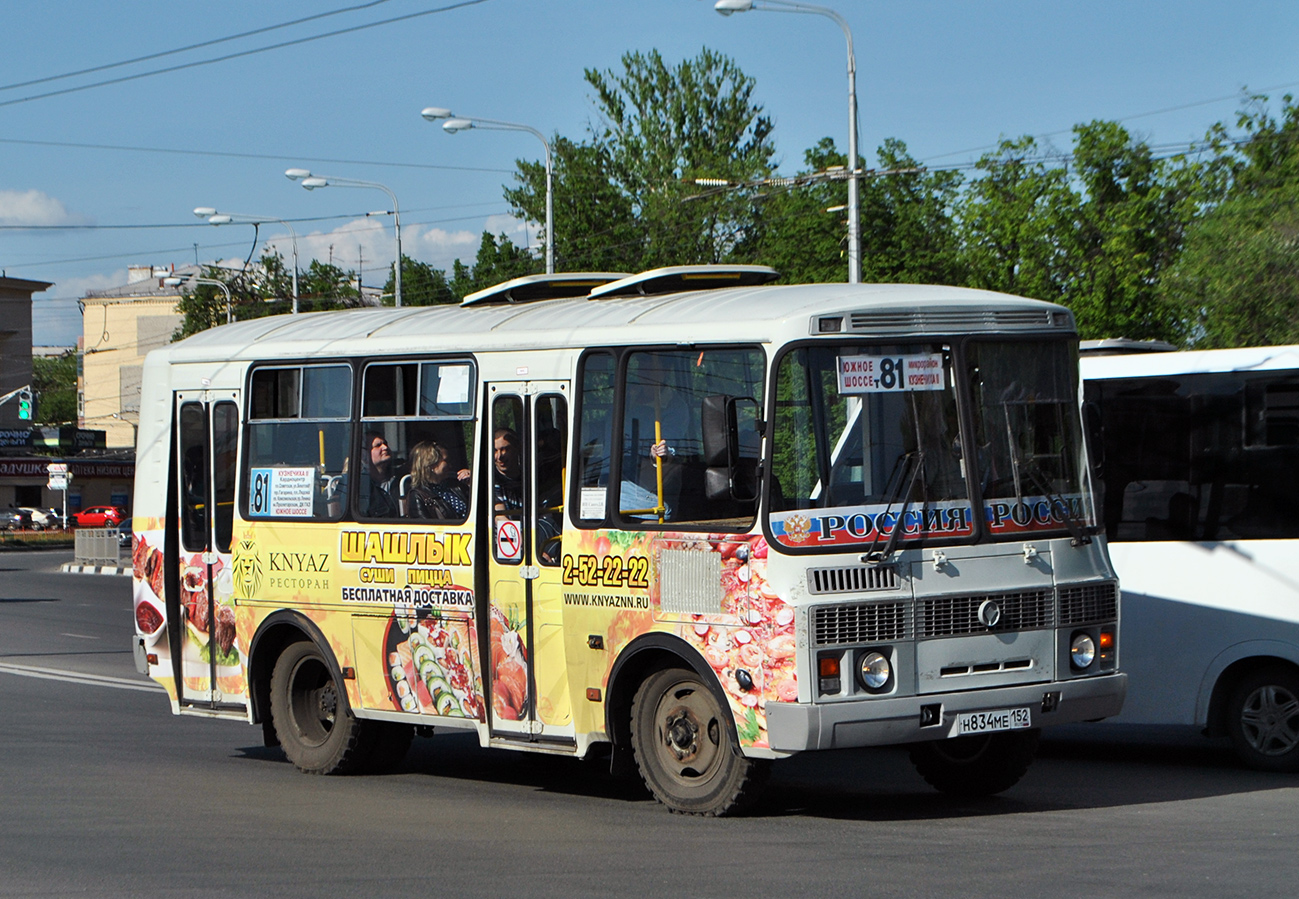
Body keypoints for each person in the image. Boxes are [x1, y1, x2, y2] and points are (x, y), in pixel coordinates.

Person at [620, 364, 690, 519]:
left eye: (649, 365)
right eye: (641, 364)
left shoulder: (675, 407)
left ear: (664, 371)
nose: (642, 370)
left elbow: (668, 450)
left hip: (650, 495)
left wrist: (658, 454)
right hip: (616, 482)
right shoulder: (626, 396)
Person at [406, 441, 469, 520]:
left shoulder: (455, 486)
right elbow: (424, 527)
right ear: (431, 464)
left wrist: (471, 483)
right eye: (446, 460)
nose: (450, 465)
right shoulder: (418, 495)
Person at [363, 431, 401, 518]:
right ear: (365, 454)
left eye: (385, 443)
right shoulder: (361, 485)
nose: (385, 447)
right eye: (378, 445)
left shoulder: (401, 480)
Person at [492, 427, 524, 511]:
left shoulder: (530, 476)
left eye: (504, 449)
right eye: (495, 451)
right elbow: (499, 516)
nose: (499, 456)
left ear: (517, 448)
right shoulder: (491, 480)